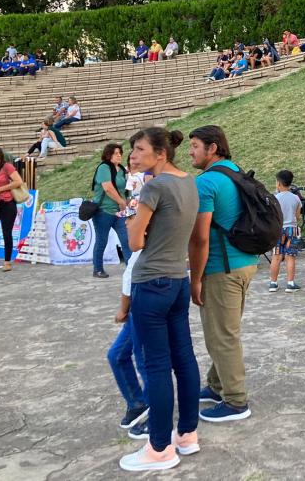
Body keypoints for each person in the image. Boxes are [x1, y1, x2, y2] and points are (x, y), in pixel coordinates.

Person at [119, 128, 200, 472]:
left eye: (139, 150)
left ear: (161, 153)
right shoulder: (189, 182)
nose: (133, 156)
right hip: (178, 280)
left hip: (151, 281)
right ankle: (187, 435)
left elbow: (135, 242)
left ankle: (159, 448)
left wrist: (132, 221)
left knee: (155, 365)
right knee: (184, 357)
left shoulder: (154, 186)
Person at [187, 125, 259, 422]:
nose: (190, 152)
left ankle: (235, 401)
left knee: (222, 336)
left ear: (212, 148)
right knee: (224, 330)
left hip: (222, 268)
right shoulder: (235, 172)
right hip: (245, 263)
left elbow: (200, 238)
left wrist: (194, 278)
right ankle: (217, 385)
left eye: (194, 146)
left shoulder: (206, 183)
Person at [108, 149, 150, 440]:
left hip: (143, 305)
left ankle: (151, 410)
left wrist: (123, 309)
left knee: (145, 360)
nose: (124, 222)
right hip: (141, 304)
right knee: (119, 355)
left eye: (128, 218)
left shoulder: (144, 245)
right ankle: (137, 403)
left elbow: (129, 279)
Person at [91, 144, 130, 279]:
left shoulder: (122, 170)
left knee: (126, 239)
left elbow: (125, 189)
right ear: (108, 155)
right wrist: (121, 202)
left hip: (119, 212)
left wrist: (127, 201)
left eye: (120, 153)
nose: (119, 155)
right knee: (102, 240)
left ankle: (131, 269)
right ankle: (98, 269)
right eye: (115, 153)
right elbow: (107, 188)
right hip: (104, 211)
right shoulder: (104, 168)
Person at [269, 169, 302, 292]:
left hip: (278, 229)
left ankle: (273, 283)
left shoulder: (274, 198)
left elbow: (271, 216)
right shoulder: (296, 198)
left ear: (278, 183)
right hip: (291, 230)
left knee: (276, 256)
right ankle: (290, 283)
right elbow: (297, 216)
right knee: (290, 257)